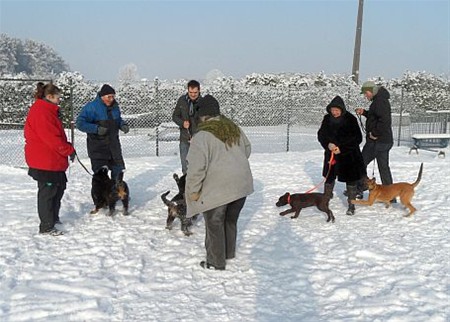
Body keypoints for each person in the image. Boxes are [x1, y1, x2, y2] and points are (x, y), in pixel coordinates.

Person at [185, 95, 254, 270]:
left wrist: (193, 191)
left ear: (202, 116)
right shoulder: (233, 128)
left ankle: (215, 262)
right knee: (230, 220)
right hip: (241, 185)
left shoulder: (202, 136)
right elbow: (247, 149)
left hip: (218, 189)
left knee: (214, 224)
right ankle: (228, 253)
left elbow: (195, 169)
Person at [24, 82, 76, 235]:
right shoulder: (42, 112)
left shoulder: (47, 110)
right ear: (49, 96)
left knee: (58, 188)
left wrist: (67, 149)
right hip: (45, 160)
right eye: (58, 97)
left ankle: (53, 218)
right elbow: (52, 138)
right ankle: (46, 226)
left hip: (52, 159)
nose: (60, 100)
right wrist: (68, 150)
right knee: (48, 192)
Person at [318, 95, 366, 216]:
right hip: (331, 154)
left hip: (348, 156)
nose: (334, 112)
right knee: (329, 177)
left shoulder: (351, 119)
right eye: (332, 110)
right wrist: (327, 144)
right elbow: (321, 135)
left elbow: (358, 138)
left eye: (337, 110)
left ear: (342, 110)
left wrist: (342, 148)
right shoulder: (326, 119)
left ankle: (351, 204)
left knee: (351, 180)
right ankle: (326, 199)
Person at [76, 84, 129, 182]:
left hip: (114, 147)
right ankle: (101, 196)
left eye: (113, 96)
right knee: (100, 177)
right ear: (102, 96)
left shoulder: (115, 107)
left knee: (118, 172)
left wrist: (122, 125)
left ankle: (116, 194)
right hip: (98, 148)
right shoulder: (91, 107)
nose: (111, 99)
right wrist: (96, 129)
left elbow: (118, 119)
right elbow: (80, 123)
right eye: (109, 97)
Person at [355, 81, 395, 201]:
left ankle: (361, 188)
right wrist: (365, 113)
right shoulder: (380, 100)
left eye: (366, 93)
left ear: (371, 91)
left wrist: (375, 133)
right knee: (383, 168)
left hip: (377, 141)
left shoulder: (380, 102)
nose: (365, 96)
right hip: (383, 141)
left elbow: (385, 121)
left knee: (360, 164)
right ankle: (390, 196)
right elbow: (376, 117)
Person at [172, 80, 201, 174]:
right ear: (188, 91)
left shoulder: (203, 103)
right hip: (184, 139)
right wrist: (182, 123)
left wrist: (197, 135)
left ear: (199, 91)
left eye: (195, 92)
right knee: (185, 167)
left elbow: (206, 122)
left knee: (198, 167)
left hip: (199, 141)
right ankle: (186, 187)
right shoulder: (182, 101)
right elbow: (175, 116)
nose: (193, 95)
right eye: (191, 92)